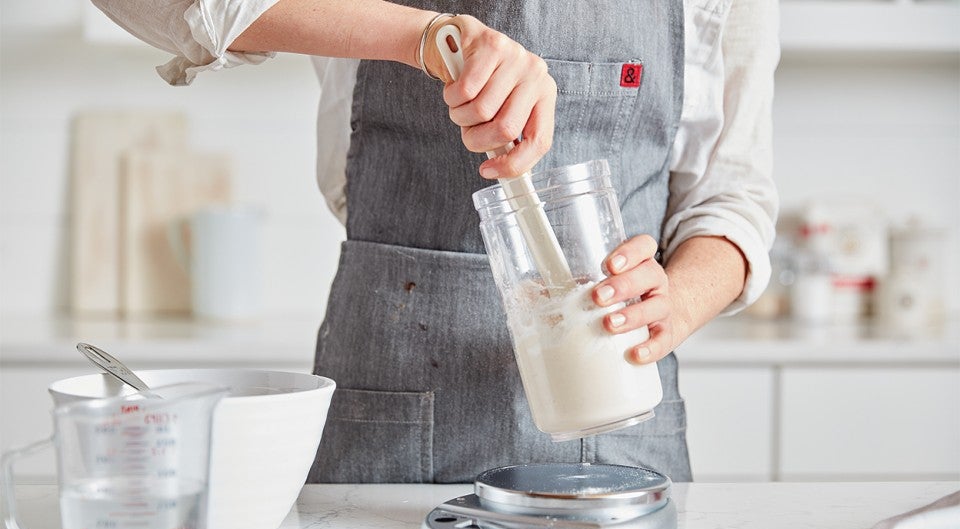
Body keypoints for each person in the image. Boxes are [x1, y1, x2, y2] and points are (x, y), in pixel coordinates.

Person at [91, 0, 779, 484]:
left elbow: (733, 199)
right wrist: (421, 36)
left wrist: (677, 300)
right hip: (387, 414)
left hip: (621, 427)